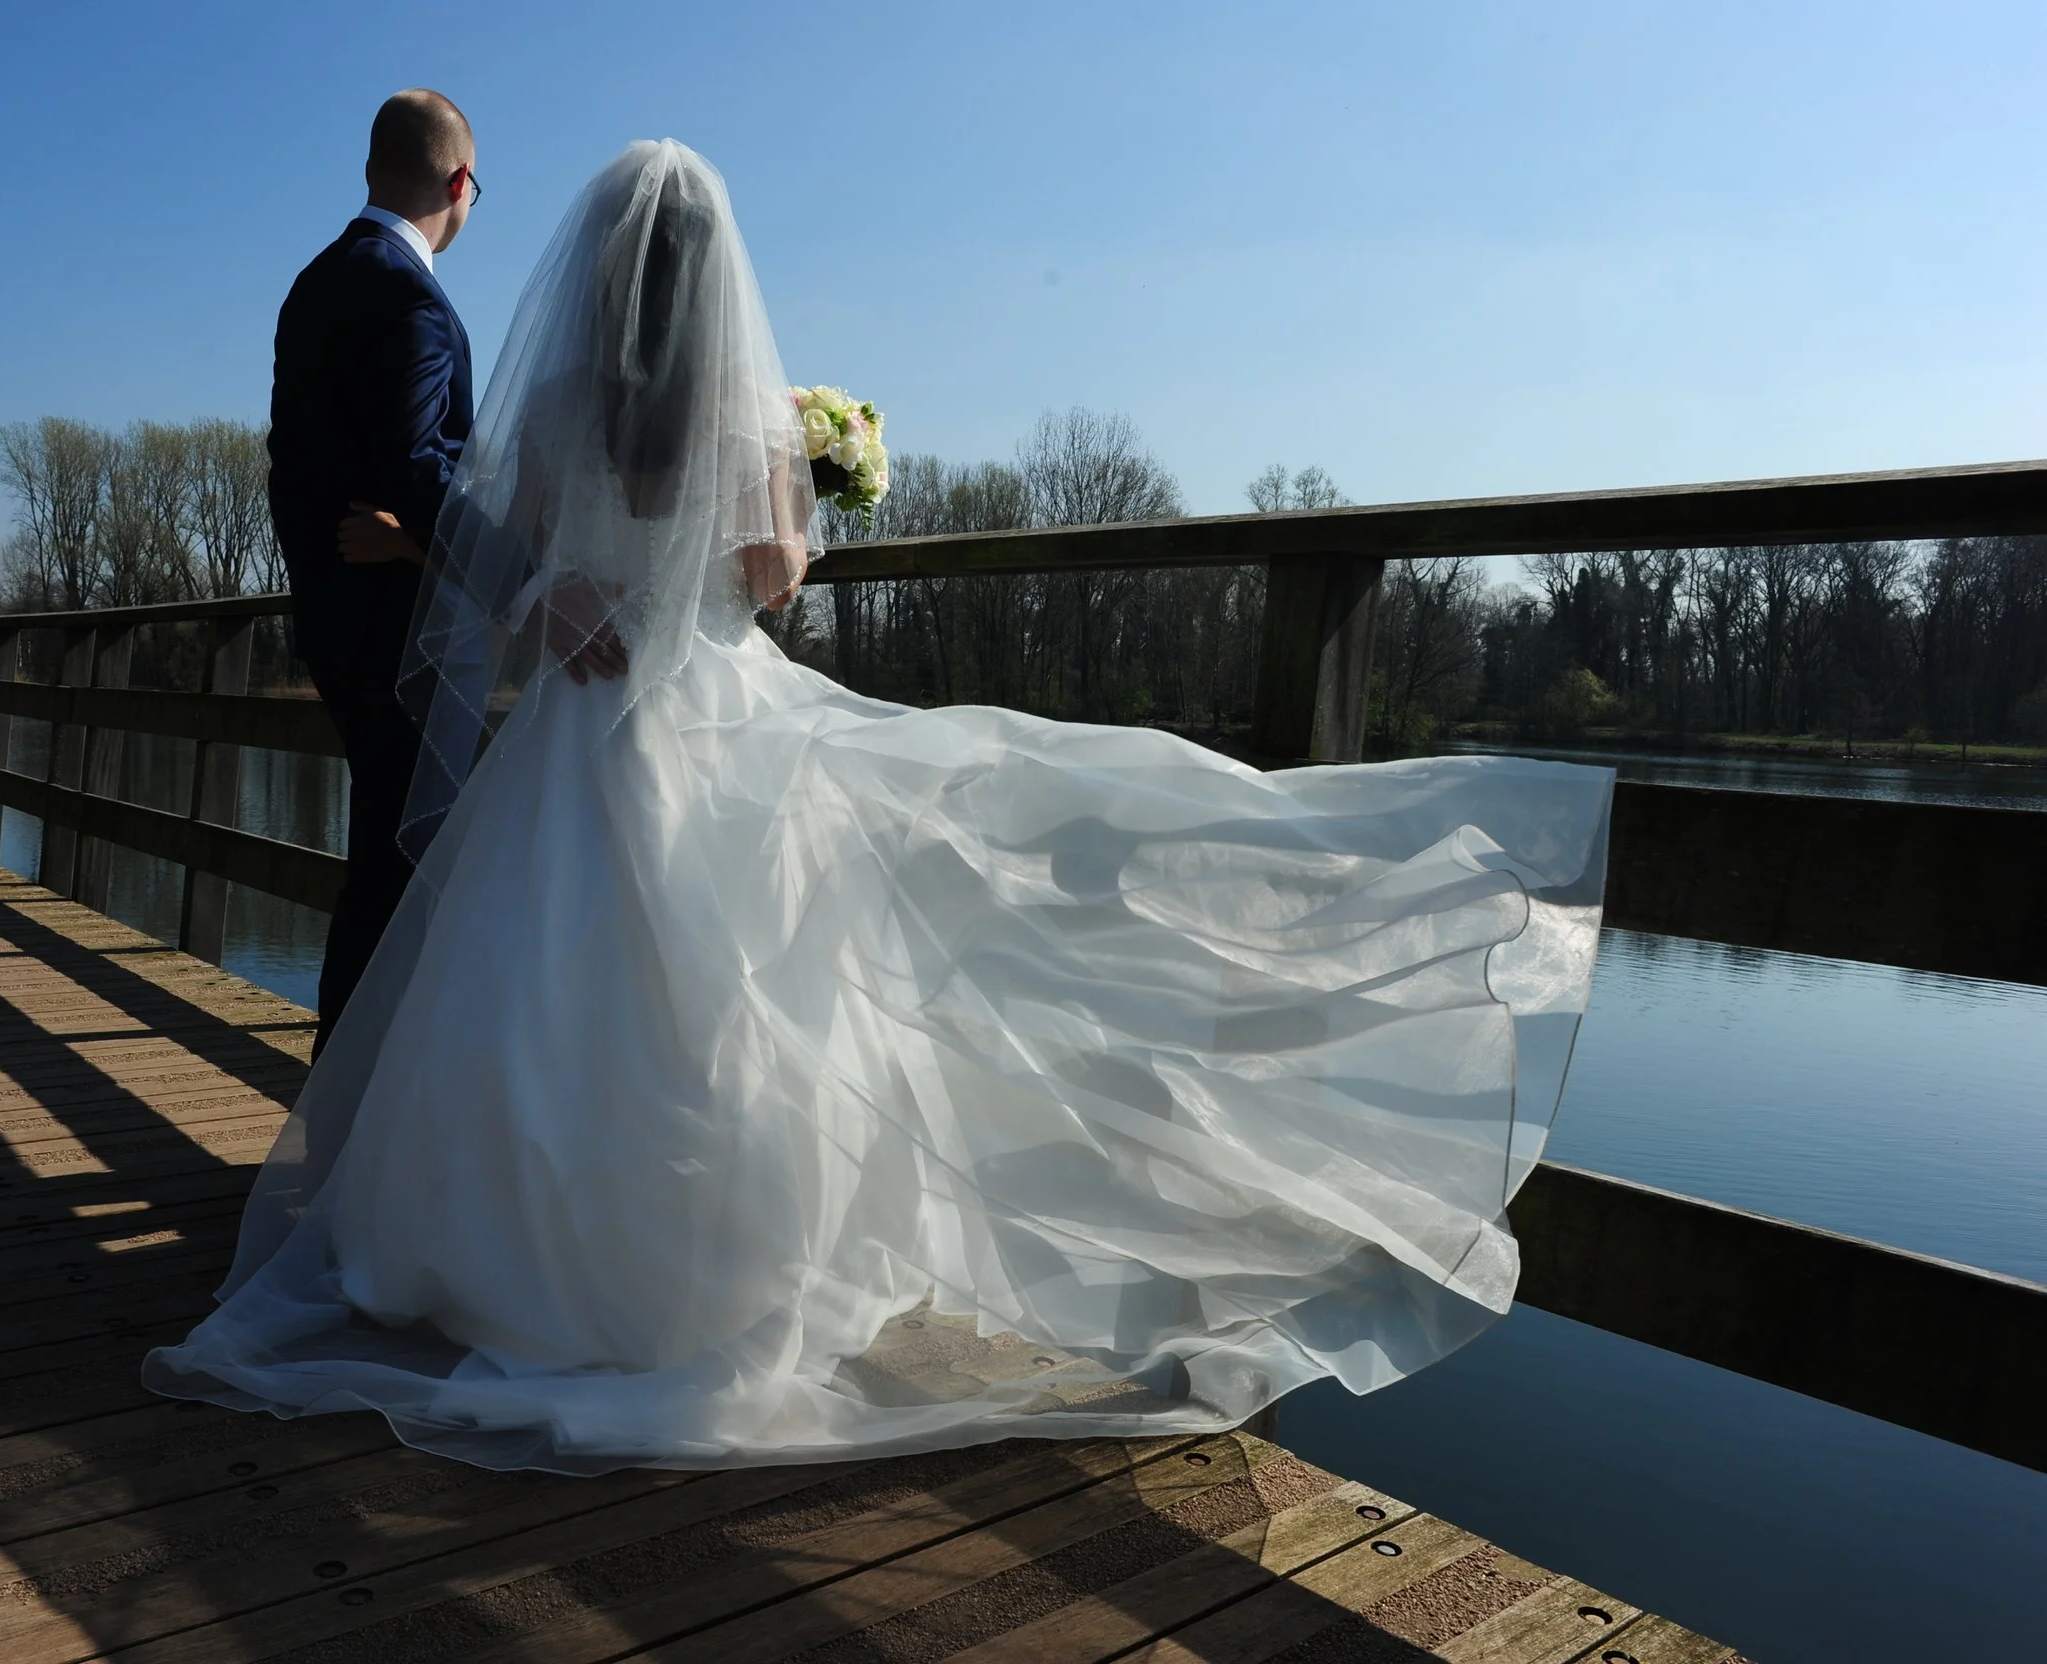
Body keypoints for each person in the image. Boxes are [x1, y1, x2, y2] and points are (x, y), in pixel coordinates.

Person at [149, 141, 1615, 1475]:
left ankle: (474, 1255)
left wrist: (561, 592)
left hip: (579, 742)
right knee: (750, 994)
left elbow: (517, 574)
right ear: (718, 280)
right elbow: (769, 579)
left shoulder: (548, 403)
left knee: (538, 990)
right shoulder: (738, 410)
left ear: (595, 273)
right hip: (713, 722)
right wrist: (814, 464)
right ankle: (699, 1268)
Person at [269, 89, 629, 1057]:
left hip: (343, 618)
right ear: (460, 180)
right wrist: (526, 585)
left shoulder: (318, 278)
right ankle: (349, 1110)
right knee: (403, 866)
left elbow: (298, 462)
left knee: (393, 857)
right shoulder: (405, 295)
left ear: (372, 169)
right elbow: (416, 462)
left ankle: (355, 1099)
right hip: (399, 630)